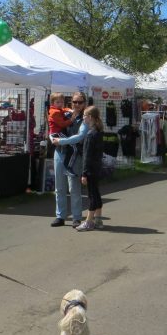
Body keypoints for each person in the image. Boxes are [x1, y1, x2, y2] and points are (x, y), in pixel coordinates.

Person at [50, 93, 89, 228]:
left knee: (74, 188)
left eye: (80, 102)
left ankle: (76, 217)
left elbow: (80, 136)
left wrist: (61, 141)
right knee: (59, 187)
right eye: (74, 102)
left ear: (84, 103)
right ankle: (60, 216)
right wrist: (52, 138)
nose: (77, 104)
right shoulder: (64, 113)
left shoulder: (85, 118)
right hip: (60, 153)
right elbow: (52, 128)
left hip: (74, 155)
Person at [76, 105, 105, 231]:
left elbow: (87, 156)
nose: (83, 118)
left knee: (92, 195)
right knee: (96, 193)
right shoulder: (98, 132)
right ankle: (98, 219)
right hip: (97, 167)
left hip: (91, 169)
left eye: (84, 116)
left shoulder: (90, 135)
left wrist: (84, 173)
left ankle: (89, 221)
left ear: (90, 117)